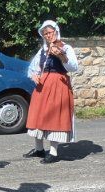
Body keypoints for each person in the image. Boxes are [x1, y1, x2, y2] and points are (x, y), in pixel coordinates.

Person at [22, 20, 78, 164]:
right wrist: (33, 75)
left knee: (54, 116)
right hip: (43, 86)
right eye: (45, 33)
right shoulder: (42, 50)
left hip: (58, 84)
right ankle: (39, 149)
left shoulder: (65, 47)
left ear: (56, 32)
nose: (48, 35)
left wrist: (61, 55)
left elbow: (73, 67)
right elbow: (32, 68)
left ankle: (53, 152)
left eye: (50, 32)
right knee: (37, 114)